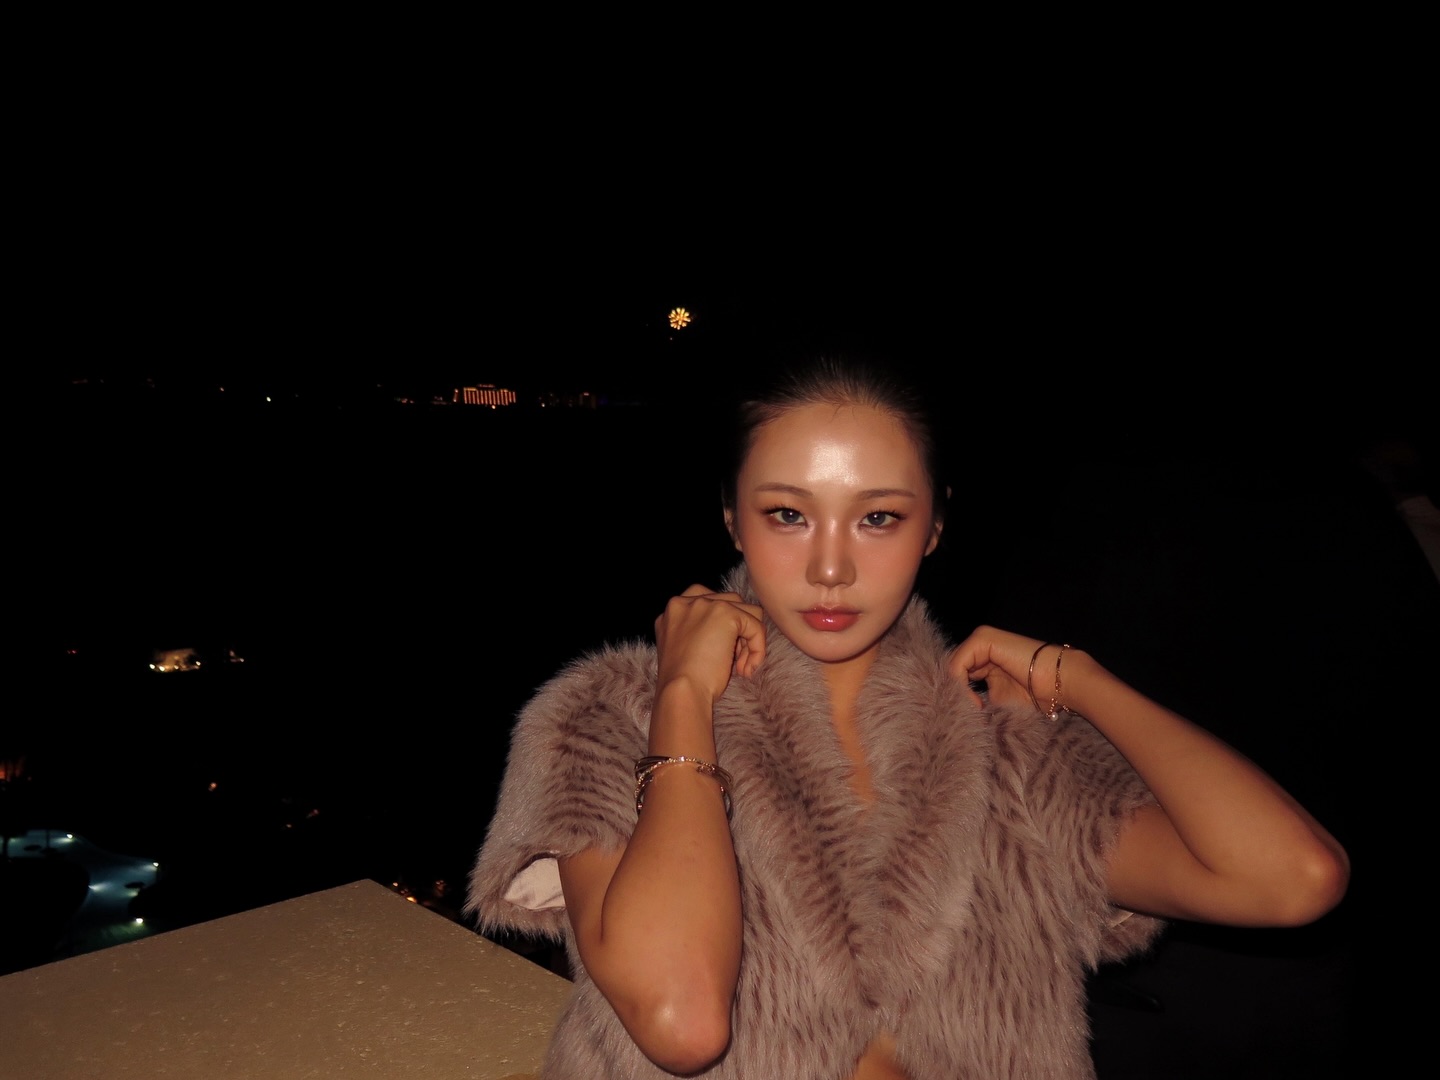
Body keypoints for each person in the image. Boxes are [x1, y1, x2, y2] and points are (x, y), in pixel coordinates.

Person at [465, 355, 1350, 1080]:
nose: (832, 569)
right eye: (787, 514)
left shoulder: (1004, 750)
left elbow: (1294, 878)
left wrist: (1082, 681)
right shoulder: (613, 719)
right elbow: (681, 1020)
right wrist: (684, 698)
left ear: (933, 528)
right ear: (732, 518)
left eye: (879, 518)